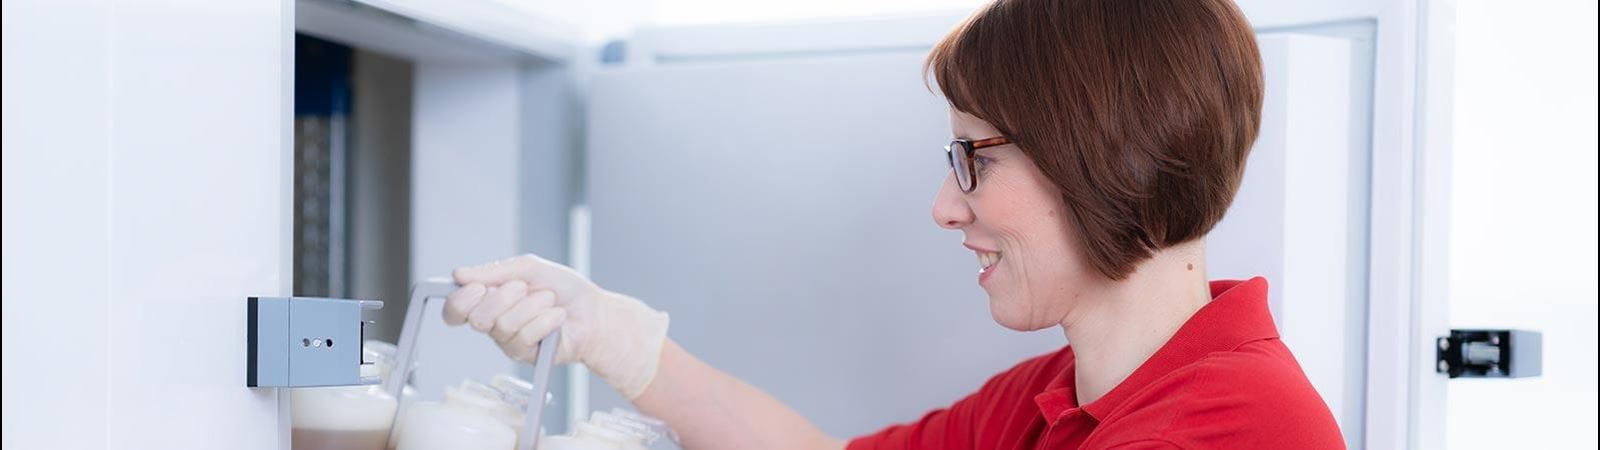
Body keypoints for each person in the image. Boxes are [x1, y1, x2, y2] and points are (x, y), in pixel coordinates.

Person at [440, 0, 1344, 448]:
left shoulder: (1233, 426)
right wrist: (625, 343)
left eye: (973, 159)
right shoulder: (1056, 397)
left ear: (1102, 155)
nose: (947, 206)